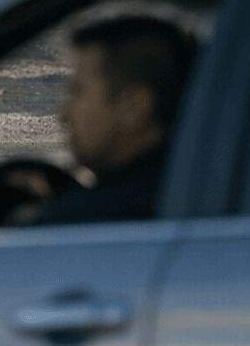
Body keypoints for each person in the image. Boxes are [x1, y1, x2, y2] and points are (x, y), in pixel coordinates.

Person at [37, 14, 198, 225]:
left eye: (78, 92)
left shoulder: (87, 221)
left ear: (133, 108)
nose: (63, 116)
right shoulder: (192, 186)